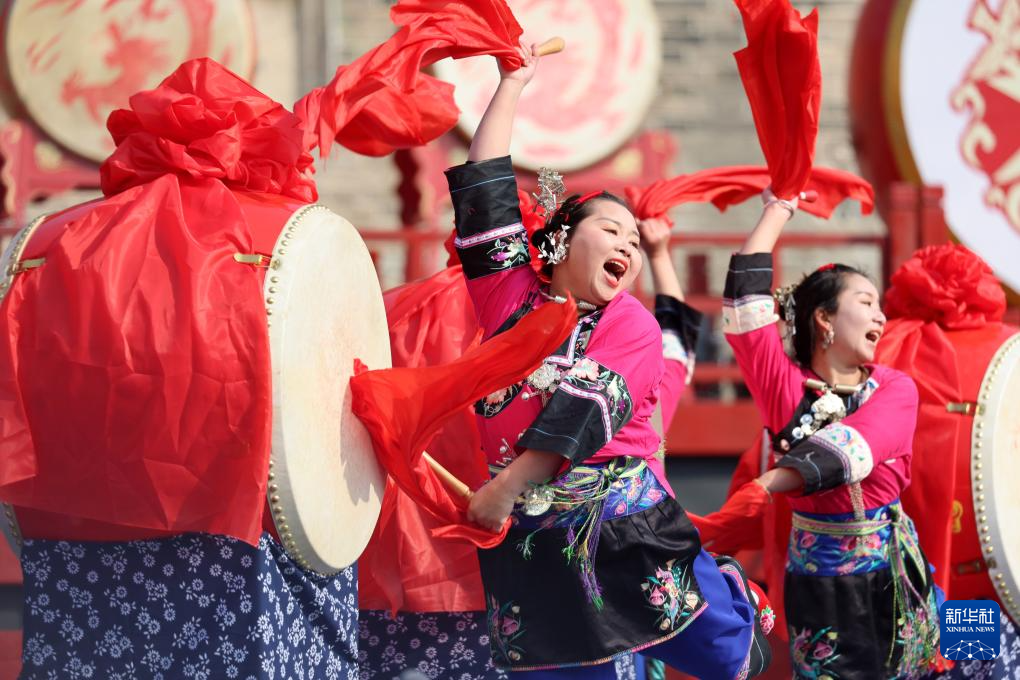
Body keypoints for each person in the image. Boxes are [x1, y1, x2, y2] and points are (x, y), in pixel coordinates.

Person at [449, 42, 770, 679]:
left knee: (730, 660)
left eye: (633, 239)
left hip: (624, 527)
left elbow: (583, 410)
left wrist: (506, 488)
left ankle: (732, 592)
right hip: (537, 537)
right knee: (564, 669)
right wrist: (512, 81)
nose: (627, 243)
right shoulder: (510, 296)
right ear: (561, 241)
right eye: (611, 230)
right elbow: (485, 191)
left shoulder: (631, 324)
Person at [723, 190, 941, 679]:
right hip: (816, 581)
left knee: (936, 662)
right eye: (866, 302)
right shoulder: (783, 387)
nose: (881, 316)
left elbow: (856, 448)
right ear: (824, 318)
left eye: (880, 306)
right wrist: (778, 208)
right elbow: (744, 304)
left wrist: (770, 483)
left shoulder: (895, 388)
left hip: (893, 570)